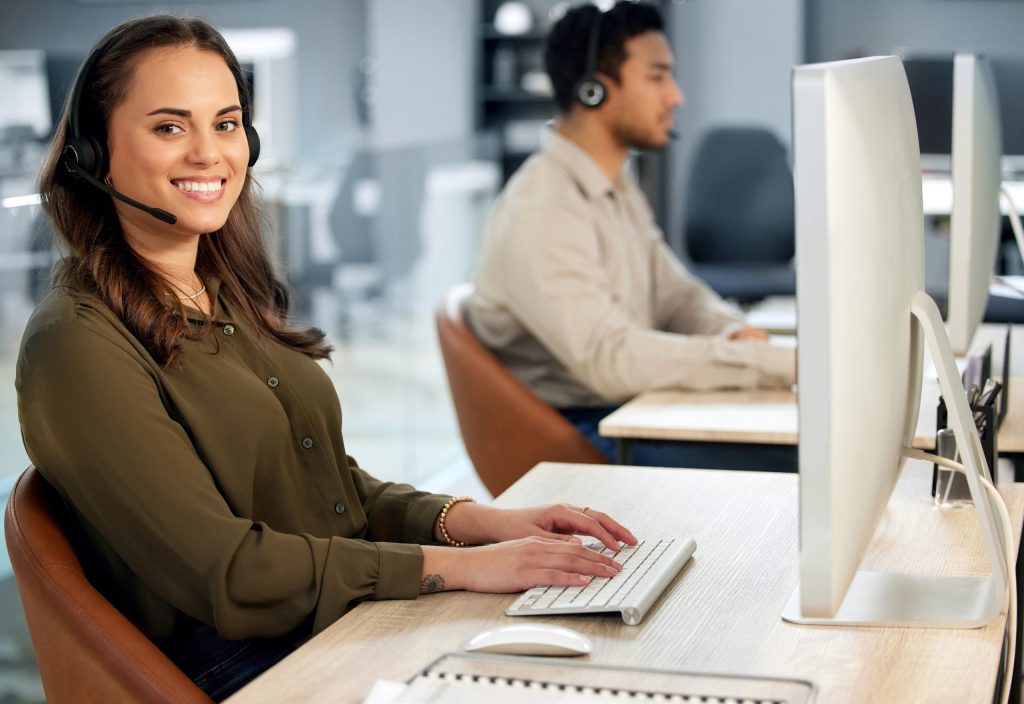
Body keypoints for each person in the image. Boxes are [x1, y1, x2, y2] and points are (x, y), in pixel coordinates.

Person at [16, 16, 636, 701]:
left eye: (225, 124)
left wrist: (483, 525)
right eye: (169, 127)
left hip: (325, 622)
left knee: (608, 654)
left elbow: (330, 491)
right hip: (246, 666)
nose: (209, 153)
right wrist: (460, 569)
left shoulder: (219, 296)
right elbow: (231, 572)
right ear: (92, 153)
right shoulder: (75, 346)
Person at [466, 2, 797, 470]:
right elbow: (611, 357)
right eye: (657, 77)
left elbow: (673, 295)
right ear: (595, 91)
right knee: (795, 460)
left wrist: (733, 331)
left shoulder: (617, 186)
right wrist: (763, 365)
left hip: (626, 406)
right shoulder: (542, 209)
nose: (676, 96)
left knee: (794, 433)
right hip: (578, 432)